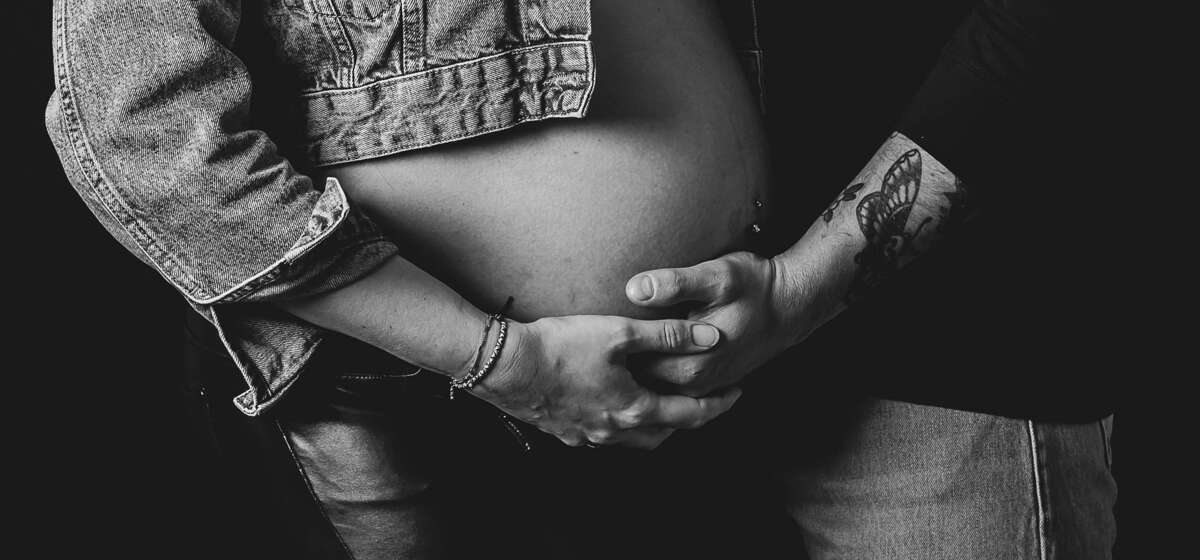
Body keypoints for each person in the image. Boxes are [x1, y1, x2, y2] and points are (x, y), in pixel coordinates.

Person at [47, 0, 1115, 558]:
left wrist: (797, 286)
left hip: (740, 365)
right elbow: (139, 128)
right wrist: (501, 358)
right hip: (405, 393)